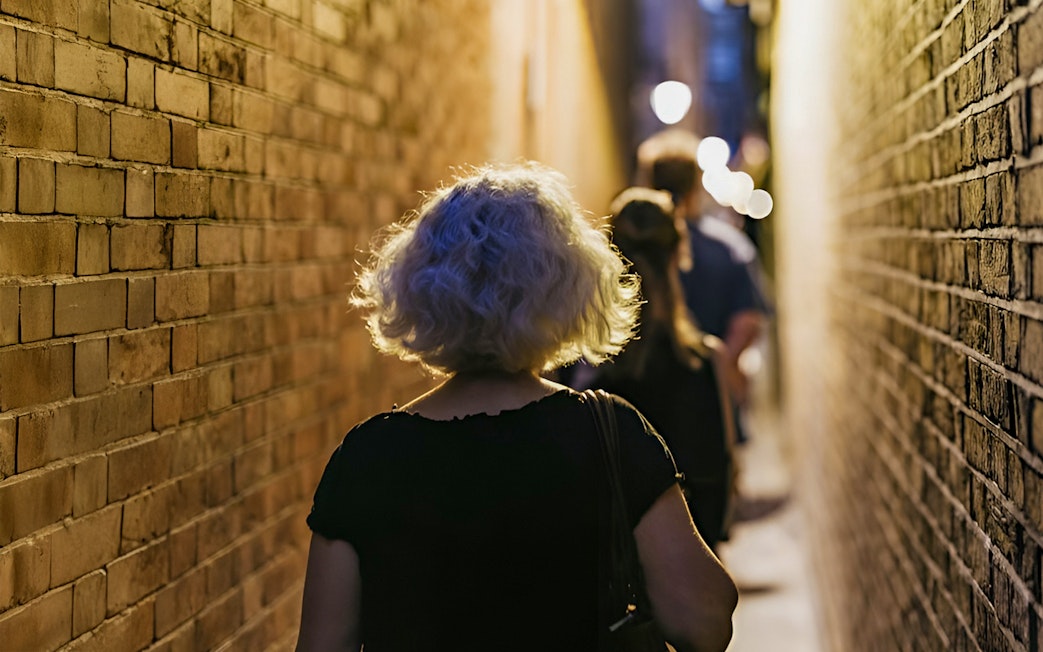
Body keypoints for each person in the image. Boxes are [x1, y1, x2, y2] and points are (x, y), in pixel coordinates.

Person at [296, 162, 737, 652]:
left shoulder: (366, 459)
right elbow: (704, 621)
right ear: (567, 285)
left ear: (418, 287)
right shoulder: (609, 431)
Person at [581, 187, 737, 551]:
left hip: (608, 586)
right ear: (678, 253)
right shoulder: (705, 361)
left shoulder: (582, 368)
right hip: (690, 568)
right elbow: (724, 482)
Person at [637, 129, 771, 435]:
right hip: (710, 410)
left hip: (642, 407)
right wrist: (719, 373)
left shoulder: (629, 246)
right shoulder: (730, 248)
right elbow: (748, 322)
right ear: (696, 184)